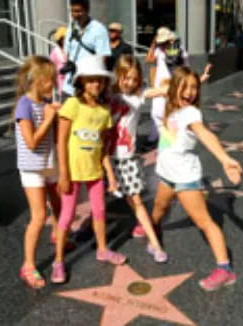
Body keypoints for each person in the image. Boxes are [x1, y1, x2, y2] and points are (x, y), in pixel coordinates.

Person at [150, 66, 243, 291]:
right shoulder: (170, 105)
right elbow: (157, 89)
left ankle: (225, 269)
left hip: (184, 176)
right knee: (158, 208)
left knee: (204, 222)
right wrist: (192, 80)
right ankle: (153, 234)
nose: (190, 92)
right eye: (186, 87)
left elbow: (205, 134)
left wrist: (224, 158)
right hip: (166, 173)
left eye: (194, 88)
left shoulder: (191, 113)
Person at [51, 55, 126, 284]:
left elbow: (103, 149)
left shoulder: (104, 111)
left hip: (95, 173)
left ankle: (102, 249)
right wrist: (63, 174)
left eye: (99, 81)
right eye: (90, 80)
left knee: (100, 211)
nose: (95, 84)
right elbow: (61, 141)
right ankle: (58, 261)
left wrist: (110, 176)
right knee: (67, 215)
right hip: (72, 173)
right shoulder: (72, 105)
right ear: (81, 81)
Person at [108, 54, 168, 262]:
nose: (130, 82)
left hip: (126, 158)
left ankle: (155, 243)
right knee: (93, 200)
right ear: (118, 75)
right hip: (102, 158)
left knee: (136, 200)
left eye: (134, 78)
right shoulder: (107, 94)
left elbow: (161, 90)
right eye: (126, 78)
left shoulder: (138, 95)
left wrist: (192, 82)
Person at [13, 56, 62, 289]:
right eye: (51, 80)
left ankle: (58, 236)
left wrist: (54, 113)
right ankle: (28, 264)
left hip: (49, 163)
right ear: (39, 80)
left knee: (60, 206)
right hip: (32, 168)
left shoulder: (44, 102)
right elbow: (31, 142)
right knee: (39, 216)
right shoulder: (24, 105)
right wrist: (49, 117)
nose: (54, 84)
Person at [61, 0, 112, 98]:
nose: (75, 15)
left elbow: (103, 58)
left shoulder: (98, 29)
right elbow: (66, 52)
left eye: (79, 11)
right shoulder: (71, 28)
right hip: (69, 85)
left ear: (87, 10)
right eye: (72, 11)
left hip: (87, 87)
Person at [50, 26, 68, 95]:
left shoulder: (72, 49)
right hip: (62, 84)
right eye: (64, 38)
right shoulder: (55, 52)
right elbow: (51, 68)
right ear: (60, 39)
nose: (66, 40)